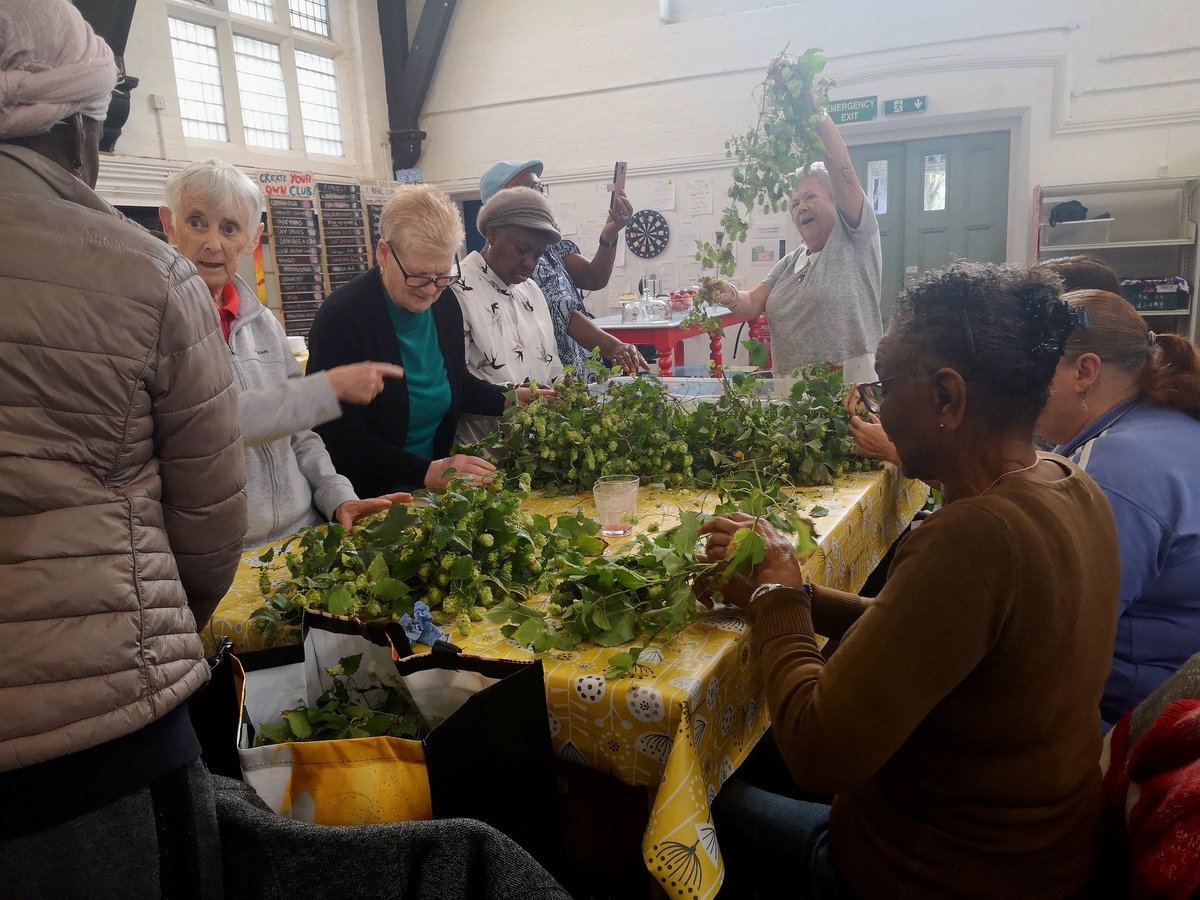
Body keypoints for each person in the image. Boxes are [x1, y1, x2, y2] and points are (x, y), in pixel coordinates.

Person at [700, 262, 1117, 898]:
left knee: (686, 804)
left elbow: (817, 752)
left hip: (931, 876)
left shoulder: (973, 538)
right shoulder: (1067, 481)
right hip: (1041, 854)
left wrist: (775, 598)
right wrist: (807, 599)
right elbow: (933, 635)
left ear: (947, 397)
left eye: (883, 387)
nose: (873, 408)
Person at [0, 2, 246, 895]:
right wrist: (145, 627)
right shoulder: (144, 272)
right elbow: (212, 527)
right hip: (103, 748)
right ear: (78, 126)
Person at [160, 158, 409, 547]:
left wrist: (338, 495)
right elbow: (205, 427)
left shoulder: (263, 322)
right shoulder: (154, 328)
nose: (213, 242)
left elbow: (301, 435)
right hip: (222, 554)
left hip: (301, 533)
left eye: (229, 228)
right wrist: (325, 389)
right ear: (168, 224)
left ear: (252, 238)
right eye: (196, 222)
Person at [307, 183, 547, 496]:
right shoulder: (344, 317)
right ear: (384, 253)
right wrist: (424, 471)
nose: (431, 289)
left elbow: (454, 381)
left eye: (442, 275)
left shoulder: (445, 304)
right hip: (367, 497)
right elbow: (338, 438)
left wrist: (509, 399)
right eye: (419, 276)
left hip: (432, 494)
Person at [1035, 289, 1200, 729]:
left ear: (1085, 371)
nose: (1017, 386)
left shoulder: (1112, 468)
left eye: (1031, 367)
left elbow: (1047, 647)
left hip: (1126, 730)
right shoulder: (1168, 421)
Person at [710, 103, 883, 384]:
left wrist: (807, 103)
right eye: (795, 202)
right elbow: (753, 302)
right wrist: (730, 295)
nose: (800, 207)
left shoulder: (854, 237)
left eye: (811, 197)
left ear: (836, 200)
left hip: (852, 388)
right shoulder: (791, 262)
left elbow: (843, 170)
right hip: (792, 392)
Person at [479, 159, 647, 377]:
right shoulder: (517, 263)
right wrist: (613, 346)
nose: (540, 195)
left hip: (580, 362)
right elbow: (560, 309)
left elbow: (593, 278)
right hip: (553, 370)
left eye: (540, 187)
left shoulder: (550, 247)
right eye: (531, 188)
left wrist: (610, 234)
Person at [453, 186, 565, 443]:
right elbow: (455, 383)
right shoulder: (456, 288)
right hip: (483, 450)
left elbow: (549, 360)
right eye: (522, 249)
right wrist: (510, 397)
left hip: (536, 443)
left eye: (537, 254)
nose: (530, 262)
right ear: (492, 235)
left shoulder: (531, 290)